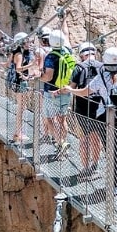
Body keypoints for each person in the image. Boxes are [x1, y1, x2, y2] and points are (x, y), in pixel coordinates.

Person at [64, 46, 117, 194]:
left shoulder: (100, 78)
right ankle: (114, 183)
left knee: (111, 150)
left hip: (104, 119)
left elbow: (84, 92)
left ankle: (113, 182)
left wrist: (70, 89)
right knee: (115, 149)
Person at [69, 42, 103, 177]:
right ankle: (95, 166)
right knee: (96, 138)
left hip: (82, 108)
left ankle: (85, 168)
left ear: (82, 55)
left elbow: (72, 87)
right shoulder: (103, 67)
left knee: (84, 139)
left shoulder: (79, 67)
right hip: (99, 107)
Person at [39, 28, 74, 157]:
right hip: (65, 90)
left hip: (51, 92)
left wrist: (39, 76)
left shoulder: (51, 57)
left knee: (49, 119)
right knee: (62, 120)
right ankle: (64, 142)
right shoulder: (68, 52)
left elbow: (48, 77)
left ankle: (60, 143)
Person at [6, 32, 33, 143]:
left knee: (22, 107)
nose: (29, 43)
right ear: (21, 42)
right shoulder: (19, 54)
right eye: (26, 41)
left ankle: (18, 132)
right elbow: (18, 69)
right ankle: (18, 133)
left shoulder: (15, 52)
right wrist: (31, 65)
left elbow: (8, 64)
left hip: (18, 82)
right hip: (20, 83)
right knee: (21, 108)